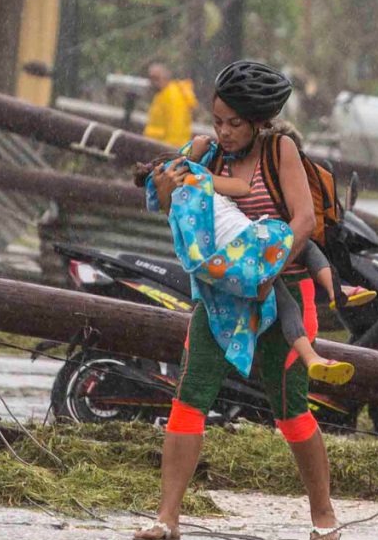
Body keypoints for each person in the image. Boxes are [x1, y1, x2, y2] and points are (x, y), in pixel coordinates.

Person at [133, 59, 342, 540]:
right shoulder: (211, 156)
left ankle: (324, 515)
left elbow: (304, 221)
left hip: (280, 294)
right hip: (223, 298)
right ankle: (167, 517)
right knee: (190, 395)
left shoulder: (279, 150)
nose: (224, 132)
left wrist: (265, 275)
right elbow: (167, 199)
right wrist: (172, 174)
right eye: (217, 121)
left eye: (234, 124)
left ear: (260, 122)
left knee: (290, 409)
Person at [146, 154, 350, 388]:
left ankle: (312, 358)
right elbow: (242, 186)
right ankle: (336, 292)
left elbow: (165, 205)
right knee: (305, 246)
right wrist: (203, 165)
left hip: (227, 263)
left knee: (284, 301)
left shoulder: (175, 207)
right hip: (248, 243)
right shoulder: (201, 180)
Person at [142, 59, 198, 149]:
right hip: (156, 148)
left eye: (156, 78)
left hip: (168, 151)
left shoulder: (173, 96)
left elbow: (176, 130)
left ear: (166, 77)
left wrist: (168, 154)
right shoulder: (162, 95)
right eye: (151, 78)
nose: (152, 82)